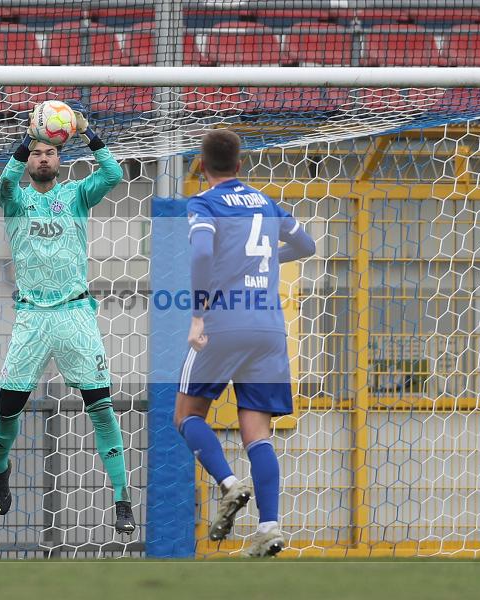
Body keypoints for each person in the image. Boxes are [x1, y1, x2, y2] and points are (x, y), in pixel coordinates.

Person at [0, 108, 135, 534]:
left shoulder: (76, 195)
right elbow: (3, 182)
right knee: (7, 410)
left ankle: (123, 500)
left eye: (48, 152)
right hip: (32, 316)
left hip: (75, 313)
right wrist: (25, 138)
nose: (41, 158)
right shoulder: (16, 200)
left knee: (102, 408)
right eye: (34, 153)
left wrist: (89, 133)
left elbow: (112, 175)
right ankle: (1, 471)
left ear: (60, 159)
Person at [175, 129, 316, 556]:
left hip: (224, 321)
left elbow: (201, 255)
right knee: (258, 434)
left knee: (185, 415)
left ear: (201, 165)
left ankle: (230, 484)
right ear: (240, 166)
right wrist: (271, 257)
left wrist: (198, 315)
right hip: (269, 329)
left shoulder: (204, 203)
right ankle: (270, 528)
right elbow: (306, 245)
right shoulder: (266, 203)